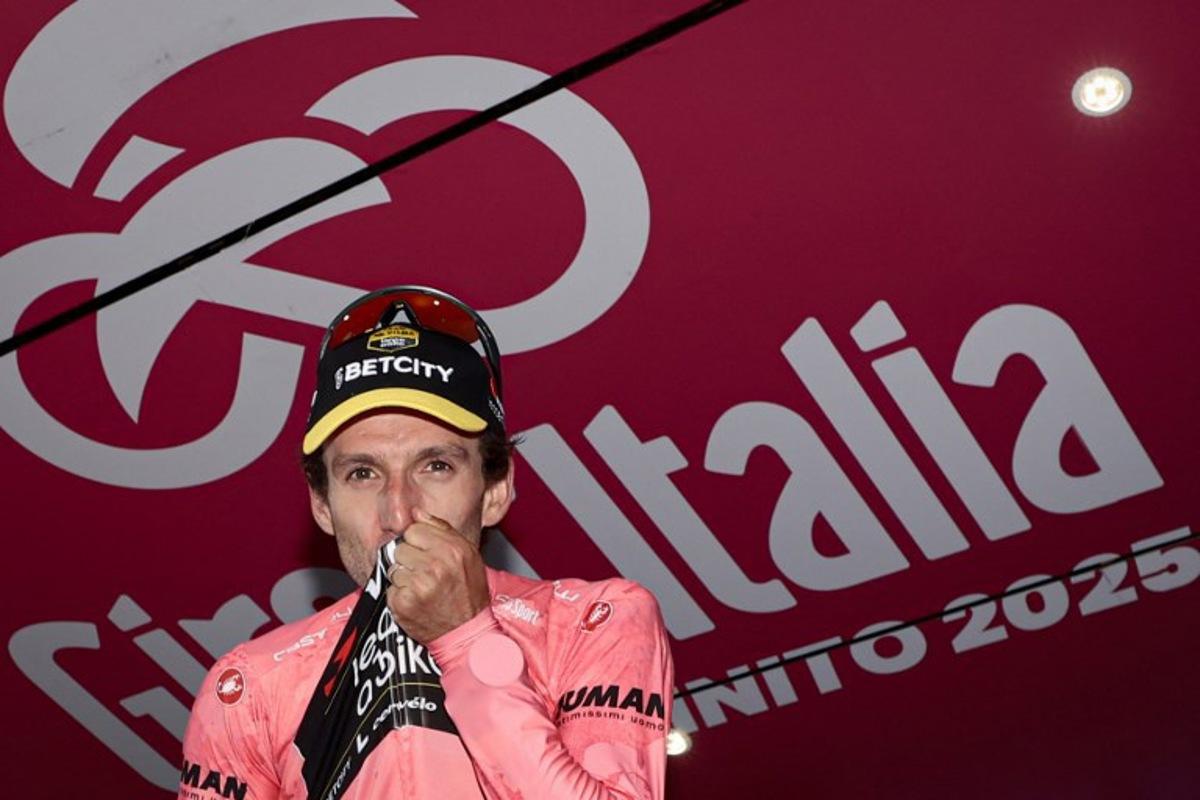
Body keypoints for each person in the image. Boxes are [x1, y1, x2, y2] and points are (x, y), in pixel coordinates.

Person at [178, 286, 674, 800]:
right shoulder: (251, 685)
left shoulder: (594, 622)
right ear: (321, 505)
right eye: (362, 473)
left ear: (495, 491)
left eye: (435, 465)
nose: (399, 513)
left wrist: (466, 639)